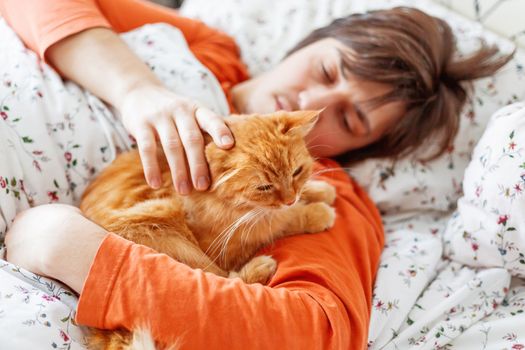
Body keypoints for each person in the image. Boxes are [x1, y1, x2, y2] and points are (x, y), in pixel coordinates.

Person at [0, 0, 512, 348]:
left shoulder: (325, 198)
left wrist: (77, 251)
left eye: (349, 120)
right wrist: (136, 89)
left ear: (363, 148)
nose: (310, 102)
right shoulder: (210, 50)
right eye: (329, 71)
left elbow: (311, 332)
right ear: (309, 42)